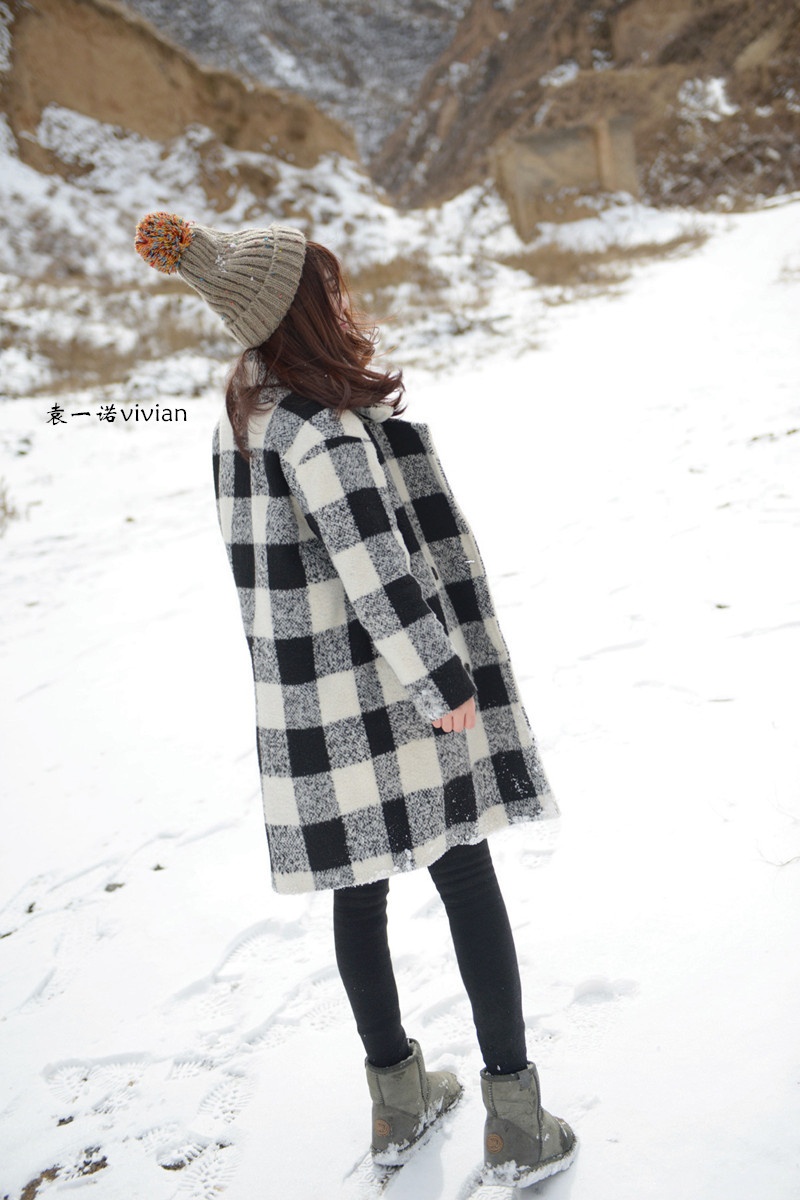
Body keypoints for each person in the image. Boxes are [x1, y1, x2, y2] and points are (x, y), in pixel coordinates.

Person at [134, 211, 577, 1185]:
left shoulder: (247, 412)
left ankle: (397, 1102)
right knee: (466, 876)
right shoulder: (322, 429)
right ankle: (515, 1119)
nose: (343, 303)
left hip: (309, 703)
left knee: (359, 890)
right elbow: (377, 569)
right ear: (299, 311)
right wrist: (443, 680)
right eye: (327, 290)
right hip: (386, 698)